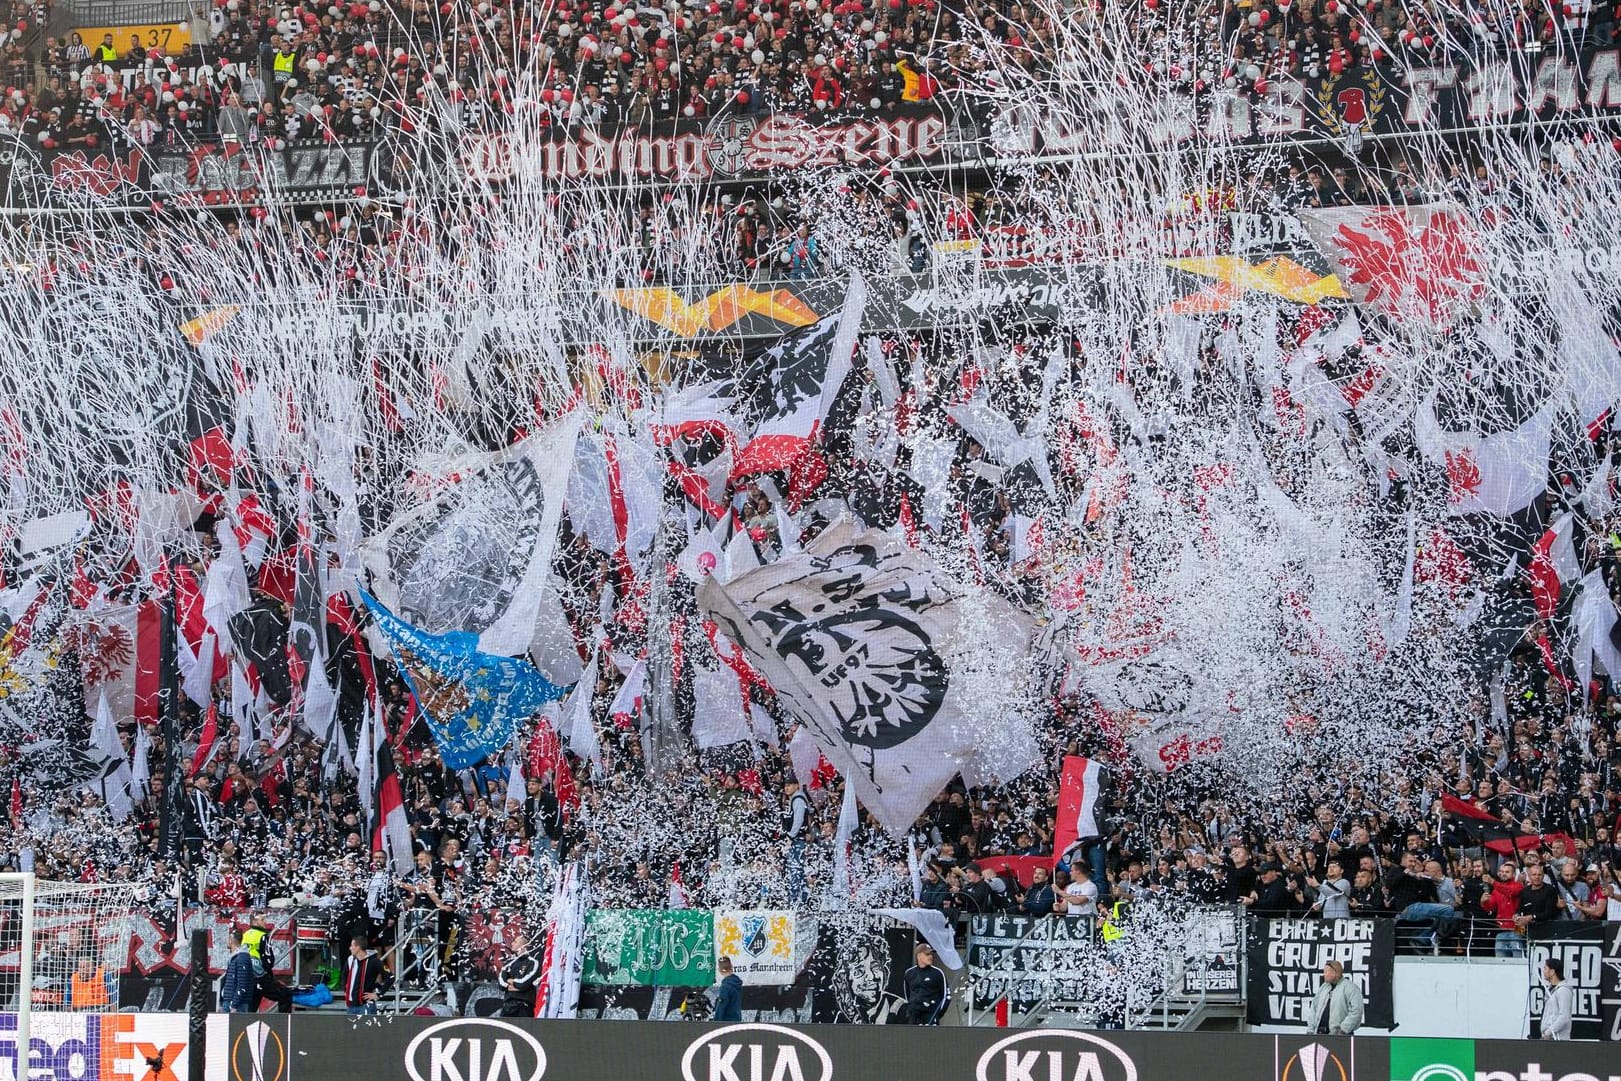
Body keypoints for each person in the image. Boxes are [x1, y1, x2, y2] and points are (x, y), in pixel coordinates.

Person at [1304, 960, 1364, 1035]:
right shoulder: (1324, 987)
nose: (1324, 974)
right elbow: (1314, 1008)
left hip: (1341, 1037)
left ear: (1335, 973)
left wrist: (1344, 1029)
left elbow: (1356, 1011)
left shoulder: (1350, 988)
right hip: (1319, 1034)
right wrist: (1310, 1029)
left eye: (1326, 972)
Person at [497, 934, 544, 1017]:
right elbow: (501, 983)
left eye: (515, 941)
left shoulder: (532, 962)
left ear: (523, 945)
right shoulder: (509, 963)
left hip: (524, 1006)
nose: (512, 943)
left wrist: (512, 981)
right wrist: (510, 984)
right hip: (507, 1006)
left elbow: (524, 983)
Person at [902, 944, 946, 1025]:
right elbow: (907, 994)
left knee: (931, 1037)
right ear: (919, 956)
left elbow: (946, 996)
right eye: (927, 954)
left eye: (931, 954)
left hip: (930, 1013)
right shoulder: (909, 973)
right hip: (914, 1015)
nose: (930, 957)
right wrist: (912, 1006)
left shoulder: (937, 973)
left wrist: (937, 1013)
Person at [343, 935, 382, 1016]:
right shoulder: (350, 959)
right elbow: (344, 976)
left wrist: (378, 994)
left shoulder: (373, 961)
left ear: (358, 947)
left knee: (366, 1028)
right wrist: (345, 989)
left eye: (352, 945)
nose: (350, 948)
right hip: (351, 1005)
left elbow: (391, 977)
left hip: (366, 1005)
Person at [220, 929, 257, 1013]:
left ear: (230, 940)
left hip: (236, 1005)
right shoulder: (236, 958)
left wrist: (234, 1005)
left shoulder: (241, 958)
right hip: (230, 1002)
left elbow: (242, 983)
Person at [1539, 958, 1573, 1040]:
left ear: (1552, 971)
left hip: (1558, 1039)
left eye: (1545, 968)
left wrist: (1548, 1032)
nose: (1543, 971)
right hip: (1549, 1038)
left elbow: (1564, 1017)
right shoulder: (1550, 990)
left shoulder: (1563, 990)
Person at [713, 956, 743, 1022]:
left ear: (719, 970)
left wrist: (715, 1022)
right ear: (731, 967)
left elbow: (721, 1007)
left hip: (726, 1022)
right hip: (736, 1020)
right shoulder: (737, 983)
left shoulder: (725, 987)